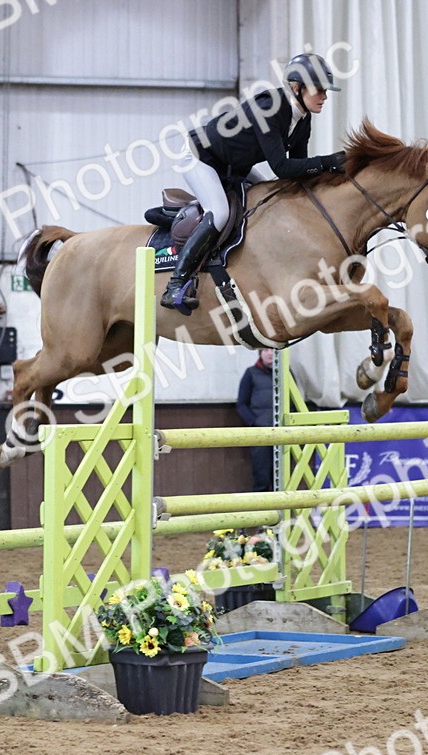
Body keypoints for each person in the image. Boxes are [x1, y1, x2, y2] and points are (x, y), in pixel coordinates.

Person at [161, 53, 347, 312]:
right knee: (220, 213)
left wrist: (337, 176)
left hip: (235, 166)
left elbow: (297, 174)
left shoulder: (303, 120)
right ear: (296, 88)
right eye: (319, 90)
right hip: (200, 156)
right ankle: (175, 284)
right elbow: (281, 167)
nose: (324, 96)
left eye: (325, 90)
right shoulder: (268, 108)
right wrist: (328, 161)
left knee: (267, 195)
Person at [236, 348, 276, 492]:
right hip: (260, 434)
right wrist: (255, 423)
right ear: (260, 353)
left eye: (273, 350)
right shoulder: (251, 373)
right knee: (262, 475)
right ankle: (262, 512)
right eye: (266, 350)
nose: (270, 353)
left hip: (282, 433)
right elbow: (241, 404)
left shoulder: (286, 374)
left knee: (283, 475)